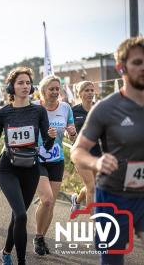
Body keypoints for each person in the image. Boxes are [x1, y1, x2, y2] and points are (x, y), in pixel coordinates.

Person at [71, 36, 144, 265]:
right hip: (113, 196)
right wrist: (96, 163)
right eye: (137, 62)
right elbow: (78, 151)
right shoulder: (106, 108)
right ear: (120, 67)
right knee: (112, 260)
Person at [0, 67, 56, 265]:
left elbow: (47, 144)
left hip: (31, 168)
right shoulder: (3, 113)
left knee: (18, 217)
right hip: (8, 168)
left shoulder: (39, 110)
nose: (25, 86)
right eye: (20, 83)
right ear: (11, 87)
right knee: (21, 215)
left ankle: (6, 252)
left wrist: (50, 138)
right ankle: (22, 261)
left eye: (28, 83)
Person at [33, 75, 77, 256]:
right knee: (47, 199)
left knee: (50, 205)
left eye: (57, 89)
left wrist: (72, 133)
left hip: (56, 159)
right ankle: (37, 235)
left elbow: (71, 135)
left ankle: (40, 237)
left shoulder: (66, 108)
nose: (55, 92)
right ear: (43, 91)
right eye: (51, 89)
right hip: (36, 159)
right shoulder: (34, 108)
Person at [70, 81, 101, 212]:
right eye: (86, 90)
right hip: (81, 154)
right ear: (80, 93)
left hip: (99, 153)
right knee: (92, 187)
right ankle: (95, 225)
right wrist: (71, 135)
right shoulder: (73, 111)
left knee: (94, 186)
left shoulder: (99, 109)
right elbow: (70, 134)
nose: (90, 93)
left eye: (91, 90)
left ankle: (76, 200)